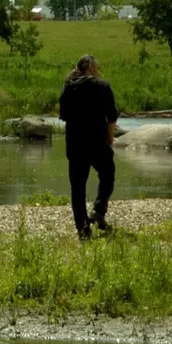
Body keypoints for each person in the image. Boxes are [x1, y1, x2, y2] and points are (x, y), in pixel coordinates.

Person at [57, 54, 119, 239]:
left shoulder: (67, 88)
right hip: (97, 142)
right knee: (108, 174)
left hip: (75, 144)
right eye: (97, 68)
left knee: (77, 187)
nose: (99, 71)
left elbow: (64, 116)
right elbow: (112, 117)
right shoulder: (102, 86)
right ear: (91, 68)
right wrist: (110, 138)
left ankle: (83, 229)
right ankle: (98, 211)